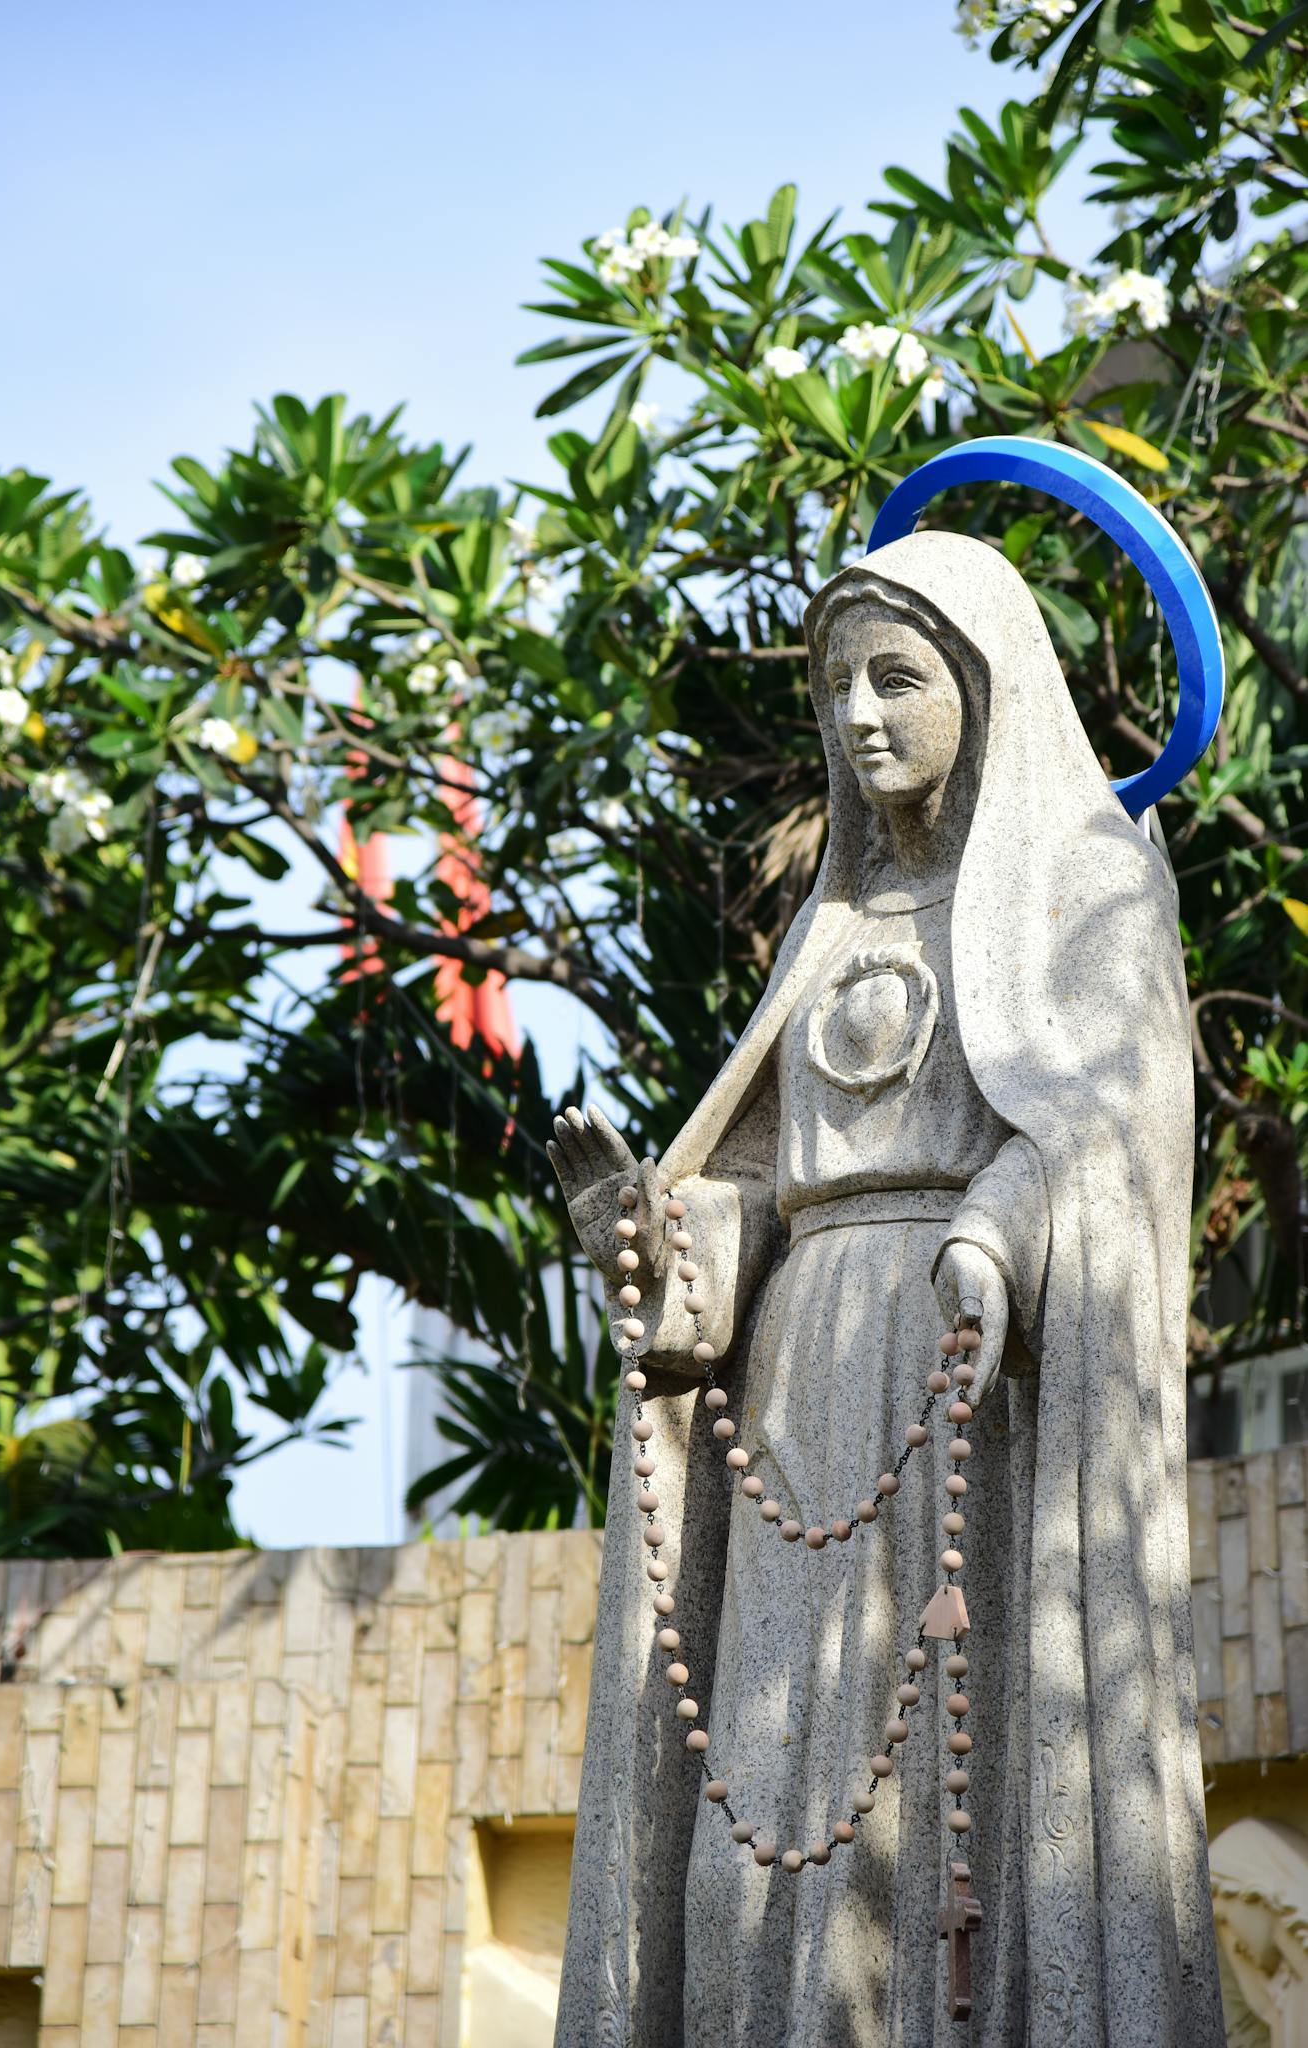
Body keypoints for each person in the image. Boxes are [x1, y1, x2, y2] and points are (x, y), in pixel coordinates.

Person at [549, 531, 1223, 2047]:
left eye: (895, 678)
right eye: (833, 683)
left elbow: (1104, 1121)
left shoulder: (1085, 883)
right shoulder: (828, 925)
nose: (856, 713)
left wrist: (991, 1237)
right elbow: (766, 1183)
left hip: (966, 1354)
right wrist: (672, 1248)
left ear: (982, 688)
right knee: (786, 1752)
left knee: (940, 1756)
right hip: (798, 1373)